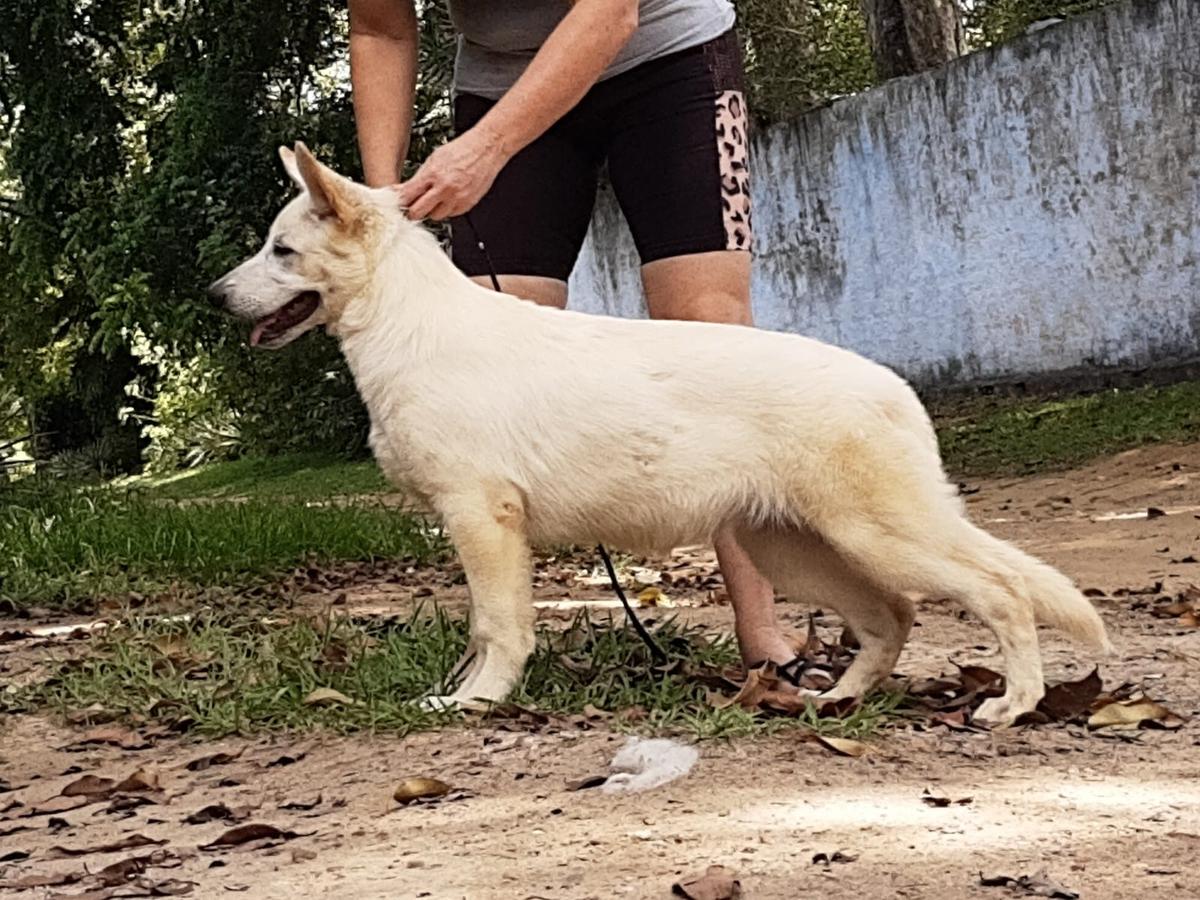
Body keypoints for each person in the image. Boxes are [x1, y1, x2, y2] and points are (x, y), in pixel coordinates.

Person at [348, 0, 799, 674]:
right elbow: (379, 27)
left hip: (666, 56)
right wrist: (379, 201)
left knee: (711, 330)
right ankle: (501, 647)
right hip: (501, 78)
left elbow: (611, 13)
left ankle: (765, 640)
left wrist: (487, 149)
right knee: (480, 365)